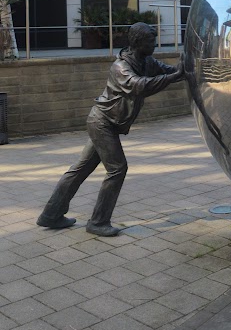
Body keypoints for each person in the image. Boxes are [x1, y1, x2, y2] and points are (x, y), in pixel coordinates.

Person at [37, 22, 185, 236]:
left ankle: (51, 215)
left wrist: (188, 69)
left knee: (80, 169)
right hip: (102, 122)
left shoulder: (147, 62)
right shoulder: (120, 67)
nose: (154, 44)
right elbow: (139, 86)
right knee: (117, 168)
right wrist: (173, 76)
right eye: (150, 41)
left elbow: (173, 73)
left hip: (109, 123)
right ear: (137, 42)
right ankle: (98, 222)